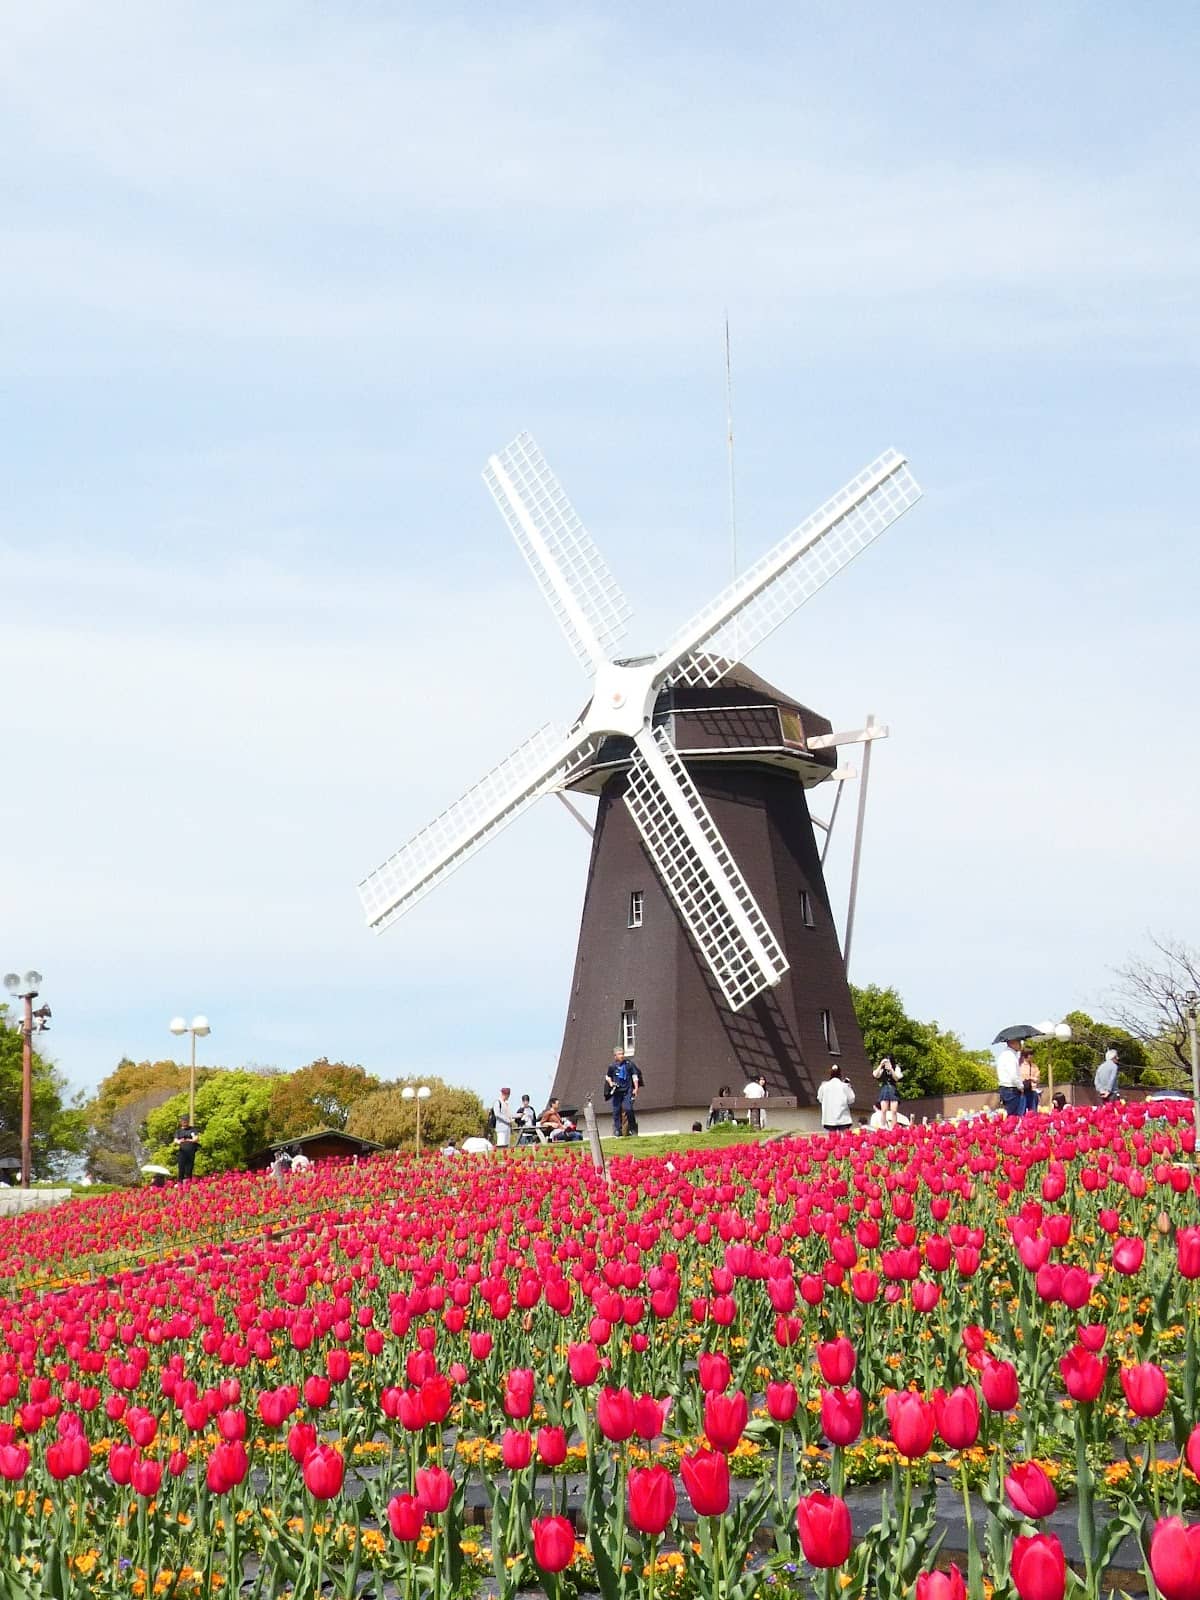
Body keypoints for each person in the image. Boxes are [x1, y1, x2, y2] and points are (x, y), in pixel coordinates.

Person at [816, 1063, 855, 1132]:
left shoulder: (824, 1086)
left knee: (832, 1138)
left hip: (829, 1119)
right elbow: (851, 1099)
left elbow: (820, 1099)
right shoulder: (844, 1086)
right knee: (844, 1138)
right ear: (840, 1074)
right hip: (843, 1119)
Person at [605, 1048, 635, 1137]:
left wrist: (636, 1088)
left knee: (628, 1108)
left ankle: (632, 1128)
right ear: (615, 1056)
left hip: (627, 1090)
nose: (622, 1056)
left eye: (622, 1054)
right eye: (619, 1054)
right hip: (617, 1091)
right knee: (616, 1111)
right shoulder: (612, 1066)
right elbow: (608, 1076)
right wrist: (611, 1083)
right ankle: (618, 1129)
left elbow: (635, 1076)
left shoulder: (629, 1065)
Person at [872, 1055, 903, 1130]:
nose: (887, 1063)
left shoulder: (896, 1068)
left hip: (892, 1088)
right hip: (885, 1087)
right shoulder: (882, 1068)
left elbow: (896, 1078)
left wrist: (891, 1069)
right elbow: (875, 1075)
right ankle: (883, 1126)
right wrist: (881, 1065)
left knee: (894, 1110)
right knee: (883, 1110)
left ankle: (893, 1128)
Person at [995, 1039, 1024, 1117]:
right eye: (1018, 1042)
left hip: (1006, 1089)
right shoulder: (1010, 1056)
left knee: (1012, 1116)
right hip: (1011, 1090)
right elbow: (1013, 1075)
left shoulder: (1006, 1054)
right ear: (1012, 1043)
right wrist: (1021, 1086)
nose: (1020, 1044)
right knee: (1013, 1117)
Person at [173, 1115, 199, 1181]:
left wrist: (189, 1140)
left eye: (186, 1121)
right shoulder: (178, 1131)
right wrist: (179, 1141)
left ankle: (188, 1182)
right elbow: (175, 1140)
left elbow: (196, 1139)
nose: (184, 1122)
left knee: (189, 1168)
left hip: (191, 1151)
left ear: (188, 1121)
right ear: (181, 1122)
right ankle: (180, 1182)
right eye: (183, 1121)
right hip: (182, 1151)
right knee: (181, 1167)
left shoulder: (192, 1129)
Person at [1019, 1049, 1041, 1114]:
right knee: (1021, 1113)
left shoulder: (1034, 1066)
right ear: (1025, 1055)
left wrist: (1030, 1078)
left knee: (1033, 1112)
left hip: (1032, 1091)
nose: (1032, 1056)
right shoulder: (1019, 1066)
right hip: (1022, 1092)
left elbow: (1037, 1079)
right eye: (1030, 1054)